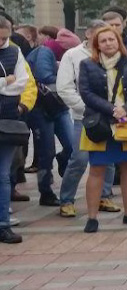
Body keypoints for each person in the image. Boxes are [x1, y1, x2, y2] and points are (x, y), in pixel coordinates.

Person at [77, 25, 127, 233]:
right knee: (97, 169)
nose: (108, 43)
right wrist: (112, 109)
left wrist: (126, 109)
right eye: (103, 41)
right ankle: (92, 217)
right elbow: (86, 93)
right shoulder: (87, 65)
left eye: (112, 39)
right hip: (100, 124)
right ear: (97, 45)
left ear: (118, 41)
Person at [56, 20, 119, 219]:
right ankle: (66, 199)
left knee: (108, 158)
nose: (105, 41)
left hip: (109, 115)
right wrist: (87, 108)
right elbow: (65, 88)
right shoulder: (73, 55)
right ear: (88, 34)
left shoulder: (110, 55)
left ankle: (105, 195)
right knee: (79, 159)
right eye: (99, 35)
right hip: (83, 116)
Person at [25, 25, 74, 207]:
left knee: (72, 145)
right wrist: (66, 75)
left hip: (58, 106)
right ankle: (45, 191)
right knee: (46, 150)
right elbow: (43, 76)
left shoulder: (59, 55)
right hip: (40, 108)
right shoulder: (45, 53)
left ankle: (62, 159)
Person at [0, 16, 30, 244]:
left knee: (3, 175)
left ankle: (3, 224)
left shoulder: (14, 51)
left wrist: (9, 85)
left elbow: (22, 81)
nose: (2, 41)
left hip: (8, 119)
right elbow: (11, 83)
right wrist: (4, 82)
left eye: (4, 37)